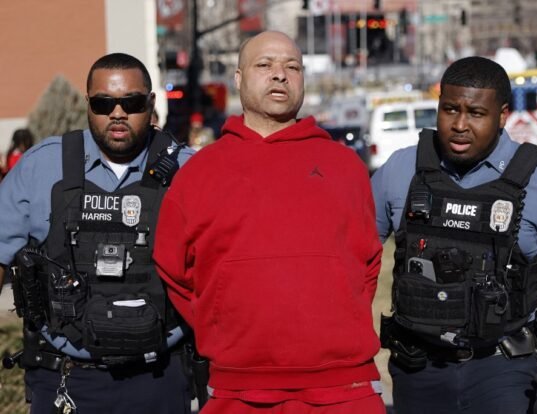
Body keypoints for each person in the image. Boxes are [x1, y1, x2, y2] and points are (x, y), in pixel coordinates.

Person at [154, 31, 385, 414]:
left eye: (291, 66)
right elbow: (173, 268)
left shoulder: (344, 167)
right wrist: (222, 322)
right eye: (265, 65)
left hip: (345, 387)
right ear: (239, 78)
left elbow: (368, 264)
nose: (279, 74)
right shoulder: (200, 173)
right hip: (237, 390)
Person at [371, 56, 537, 414]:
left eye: (476, 113)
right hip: (417, 369)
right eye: (449, 109)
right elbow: (355, 258)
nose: (459, 125)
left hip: (505, 372)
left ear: (502, 116)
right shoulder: (401, 170)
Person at [0, 53, 195, 413]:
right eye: (104, 103)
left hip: (160, 378)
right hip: (67, 379)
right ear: (88, 102)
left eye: (131, 102)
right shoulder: (41, 167)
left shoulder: (190, 171)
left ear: (151, 104)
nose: (117, 113)